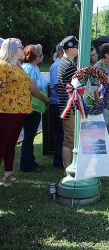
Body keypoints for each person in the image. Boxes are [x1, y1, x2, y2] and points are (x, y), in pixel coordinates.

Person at [0, 38, 31, 185]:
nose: (23, 48)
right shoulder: (3, 66)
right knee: (2, 143)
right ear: (12, 49)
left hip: (20, 111)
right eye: (21, 46)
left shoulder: (18, 66)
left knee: (11, 143)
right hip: (6, 112)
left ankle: (8, 174)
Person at [20, 44, 50, 172]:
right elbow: (32, 89)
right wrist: (45, 99)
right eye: (41, 54)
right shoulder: (29, 68)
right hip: (32, 107)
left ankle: (29, 162)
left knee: (30, 136)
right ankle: (27, 165)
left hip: (35, 107)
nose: (42, 56)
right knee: (29, 136)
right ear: (36, 57)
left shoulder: (33, 67)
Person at [57, 36, 79, 171]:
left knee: (70, 140)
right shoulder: (69, 66)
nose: (78, 49)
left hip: (68, 107)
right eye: (76, 47)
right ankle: (67, 170)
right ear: (70, 49)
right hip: (69, 109)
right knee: (69, 140)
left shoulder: (65, 62)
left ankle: (70, 167)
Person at [49, 43, 64, 168]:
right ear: (60, 52)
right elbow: (55, 85)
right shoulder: (57, 66)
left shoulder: (62, 64)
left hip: (62, 103)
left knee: (62, 133)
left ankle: (60, 158)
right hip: (58, 104)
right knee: (60, 133)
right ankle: (58, 160)